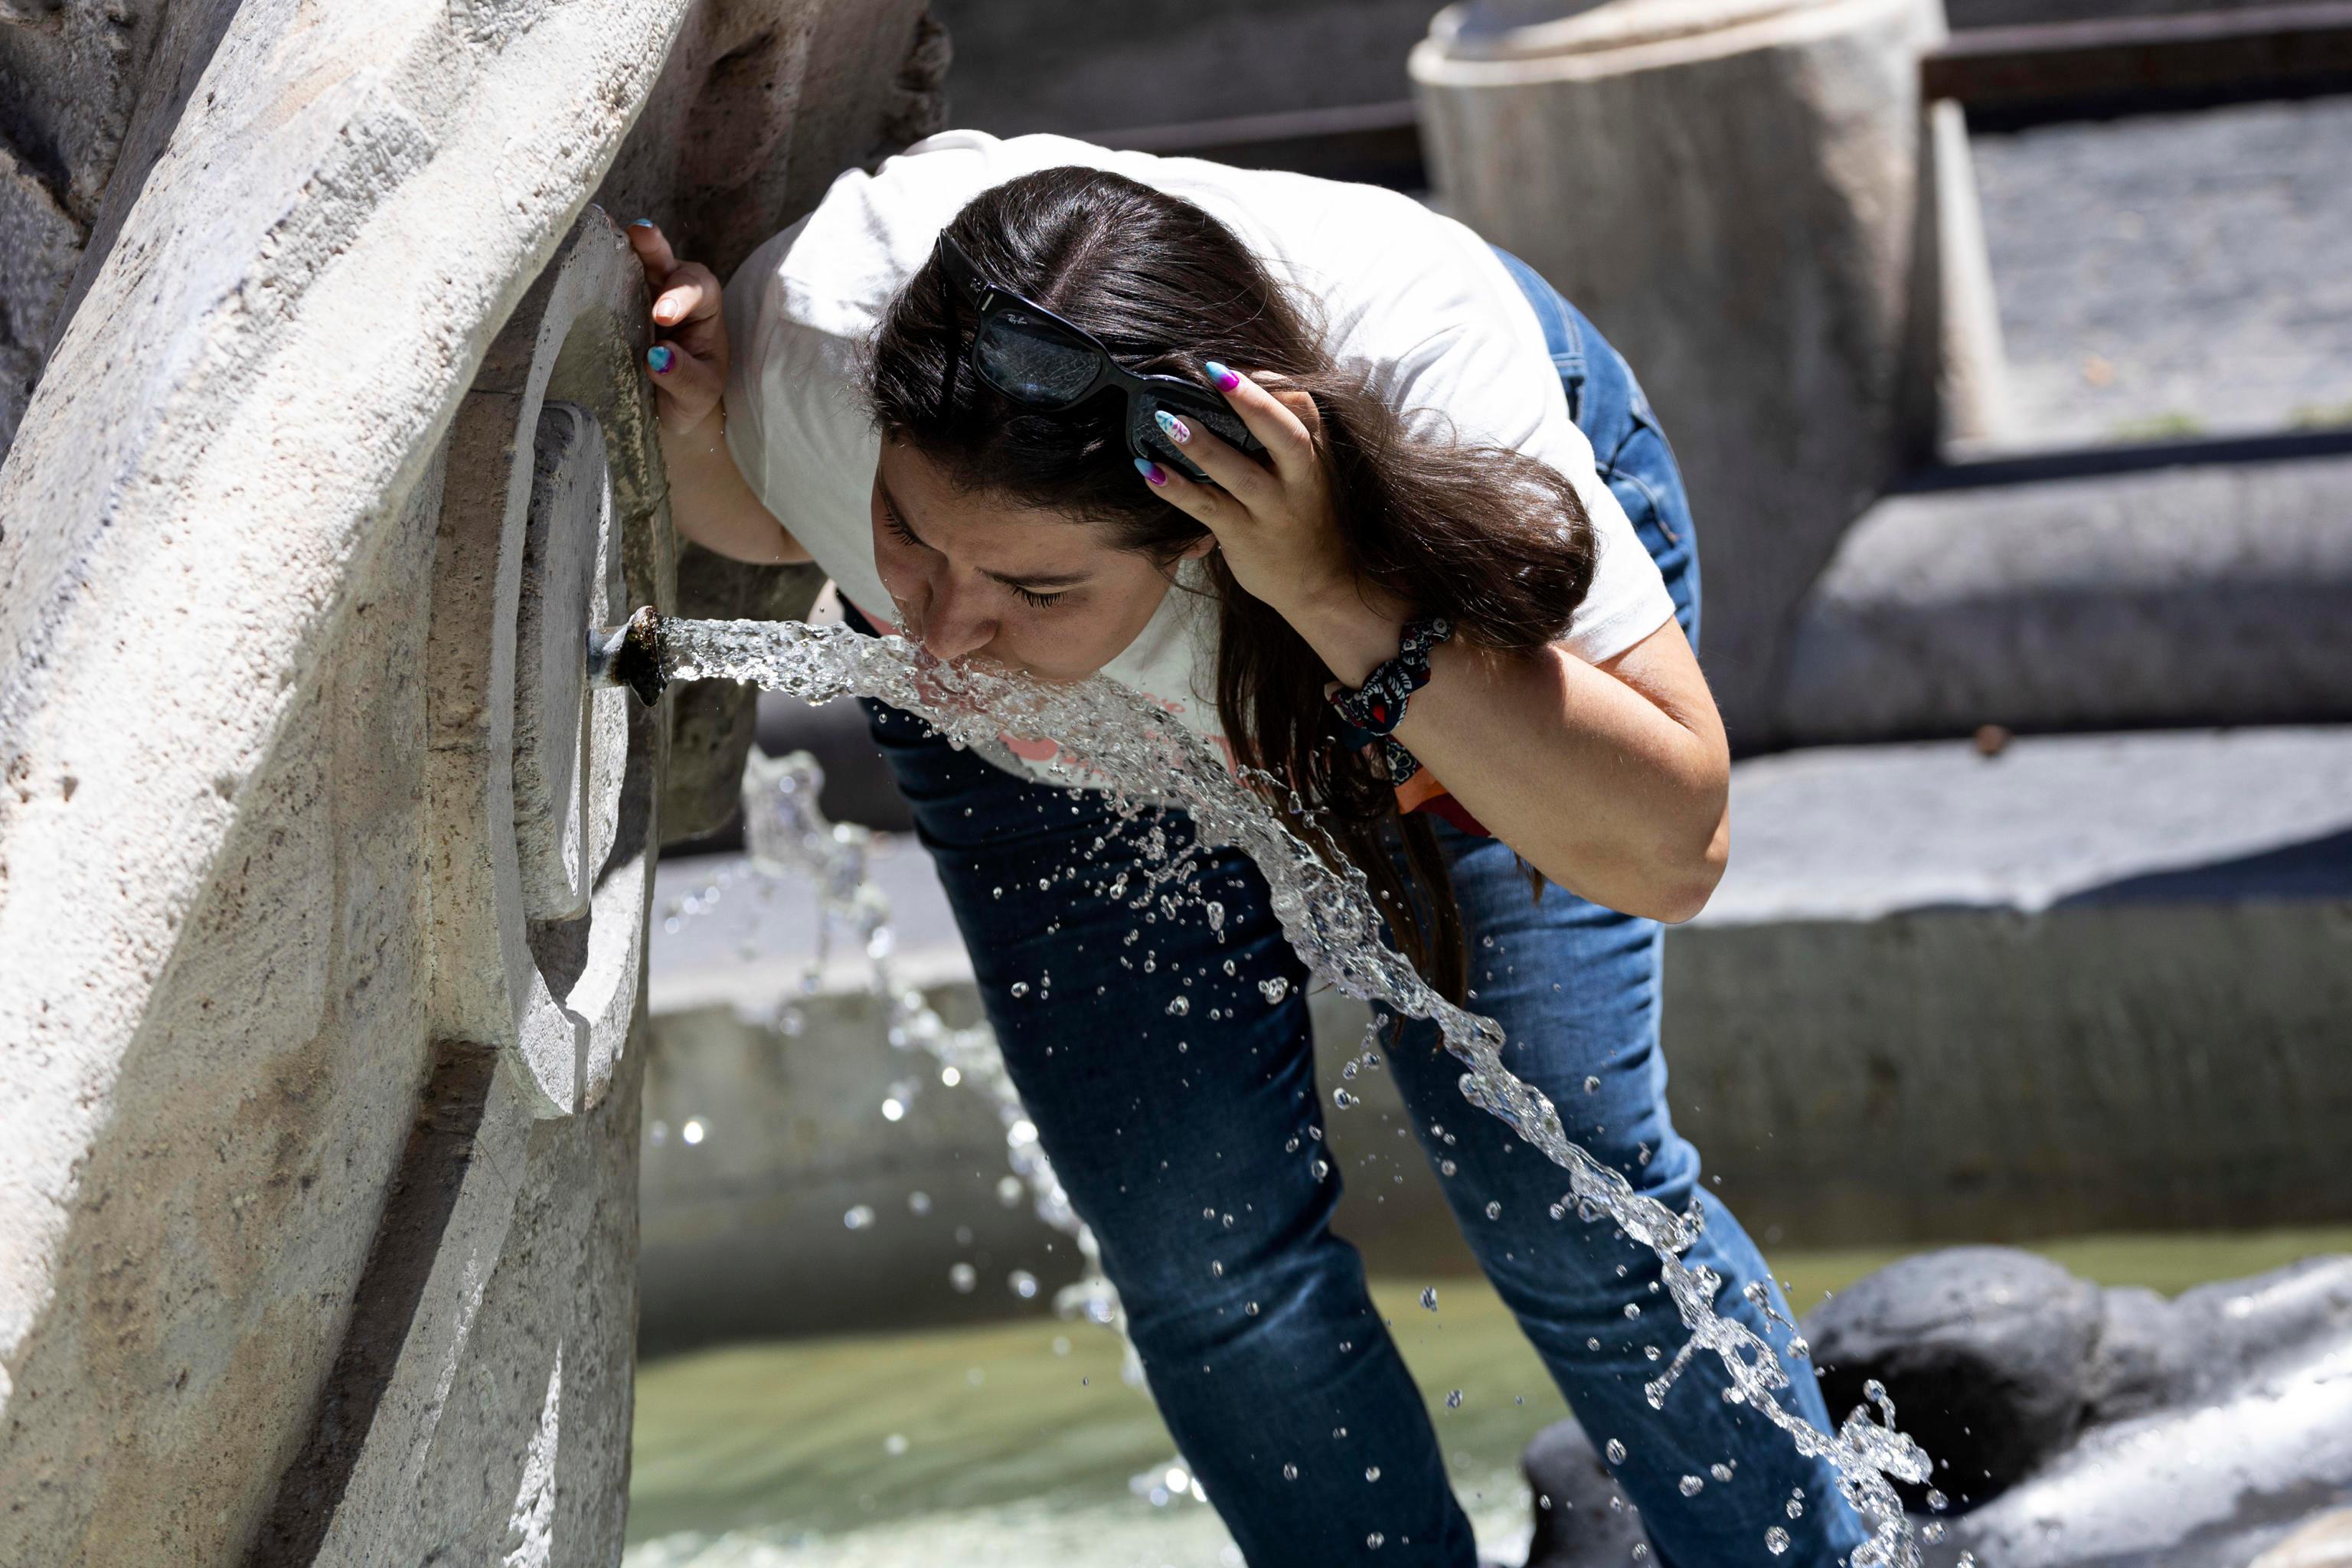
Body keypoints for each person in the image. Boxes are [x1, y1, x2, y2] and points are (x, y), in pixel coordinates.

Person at [628, 128, 1870, 1566]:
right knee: (1200, 1255)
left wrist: (1347, 602)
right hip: (1075, 747)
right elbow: (777, 508)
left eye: (1033, 585)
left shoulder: (1440, 414)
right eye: (908, 533)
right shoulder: (822, 342)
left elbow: (1673, 849)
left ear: (1195, 545)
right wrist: (711, 442)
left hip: (1421, 621)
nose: (940, 634)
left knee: (1563, 1200)